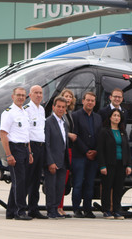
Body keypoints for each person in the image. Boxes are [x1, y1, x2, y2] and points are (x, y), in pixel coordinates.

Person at [0, 87, 33, 220]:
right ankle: (20, 212)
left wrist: (30, 152)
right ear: (12, 96)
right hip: (15, 149)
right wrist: (8, 154)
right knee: (19, 181)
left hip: (25, 148)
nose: (20, 97)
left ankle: (10, 212)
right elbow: (3, 134)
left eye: (23, 95)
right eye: (18, 95)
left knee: (19, 182)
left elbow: (27, 134)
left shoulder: (24, 112)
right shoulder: (8, 113)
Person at [70, 91, 102, 218]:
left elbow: (100, 136)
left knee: (90, 183)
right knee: (78, 183)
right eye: (88, 100)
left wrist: (95, 151)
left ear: (95, 103)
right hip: (79, 155)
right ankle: (76, 208)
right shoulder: (75, 116)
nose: (90, 102)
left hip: (93, 157)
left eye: (92, 101)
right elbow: (75, 135)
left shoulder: (98, 117)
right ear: (83, 101)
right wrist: (86, 151)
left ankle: (88, 209)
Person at [97, 108, 132, 220]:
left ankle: (116, 210)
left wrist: (129, 165)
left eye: (118, 116)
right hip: (108, 164)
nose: (116, 117)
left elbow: (127, 149)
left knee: (118, 188)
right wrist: (102, 165)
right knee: (107, 187)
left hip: (121, 164)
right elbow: (100, 150)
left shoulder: (123, 131)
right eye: (114, 115)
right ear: (110, 117)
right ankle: (107, 210)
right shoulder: (104, 131)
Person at [44, 97, 71, 219]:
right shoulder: (48, 122)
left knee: (60, 187)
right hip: (53, 161)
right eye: (58, 106)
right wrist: (50, 162)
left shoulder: (64, 123)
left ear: (66, 109)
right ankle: (51, 210)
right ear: (54, 107)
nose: (60, 109)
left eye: (63, 107)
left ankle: (56, 209)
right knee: (51, 187)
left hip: (63, 161)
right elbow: (47, 144)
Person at [23, 85, 48, 219]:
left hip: (40, 146)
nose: (39, 95)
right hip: (30, 145)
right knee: (27, 179)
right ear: (30, 95)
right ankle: (20, 207)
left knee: (36, 179)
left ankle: (33, 208)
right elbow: (26, 131)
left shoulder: (42, 109)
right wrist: (29, 151)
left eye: (40, 93)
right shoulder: (26, 109)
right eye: (36, 93)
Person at [57, 89, 77, 218]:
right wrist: (68, 134)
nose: (68, 98)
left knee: (64, 180)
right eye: (66, 96)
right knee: (59, 180)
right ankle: (57, 206)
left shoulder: (70, 113)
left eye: (70, 97)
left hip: (69, 150)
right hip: (61, 150)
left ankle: (61, 206)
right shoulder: (60, 114)